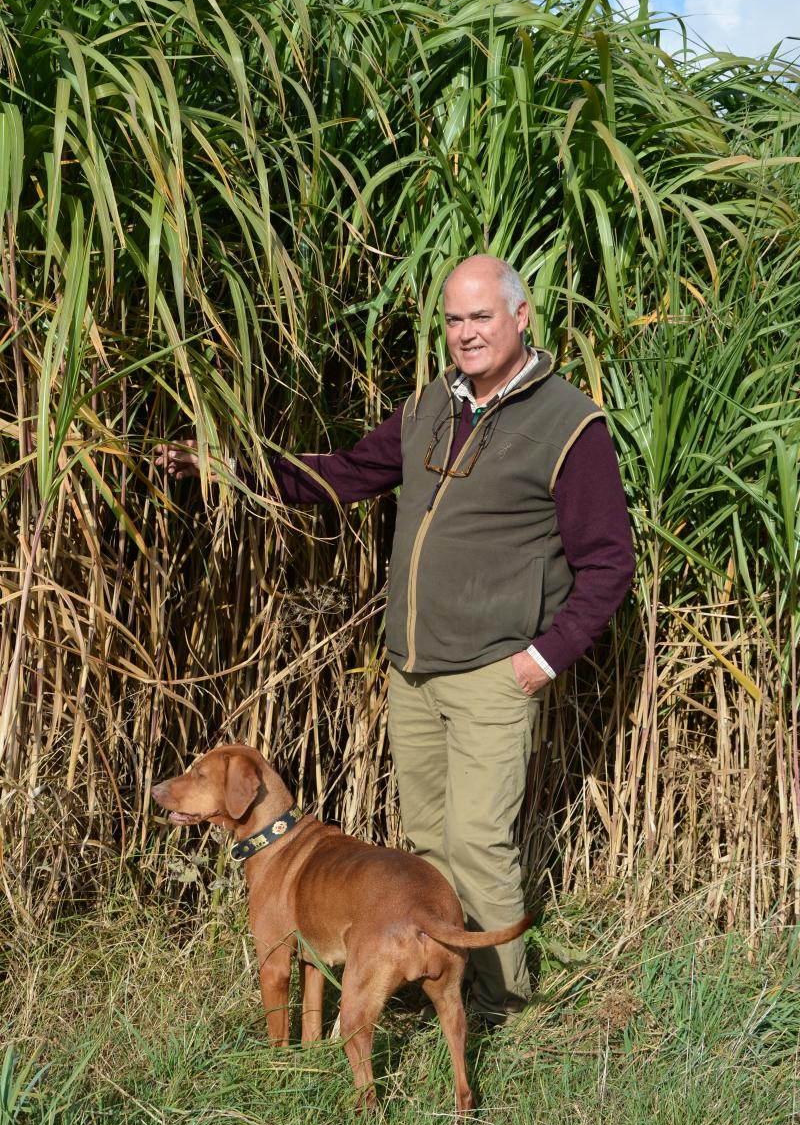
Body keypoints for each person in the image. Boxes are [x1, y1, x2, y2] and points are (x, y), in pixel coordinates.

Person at [156, 254, 635, 1026]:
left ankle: (505, 1007)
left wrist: (543, 658)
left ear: (521, 317)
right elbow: (344, 474)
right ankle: (445, 990)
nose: (466, 333)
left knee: (478, 842)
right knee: (427, 844)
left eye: (482, 316)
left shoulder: (568, 423)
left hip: (495, 672)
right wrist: (233, 468)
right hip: (413, 672)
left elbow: (611, 561)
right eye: (453, 319)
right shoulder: (429, 407)